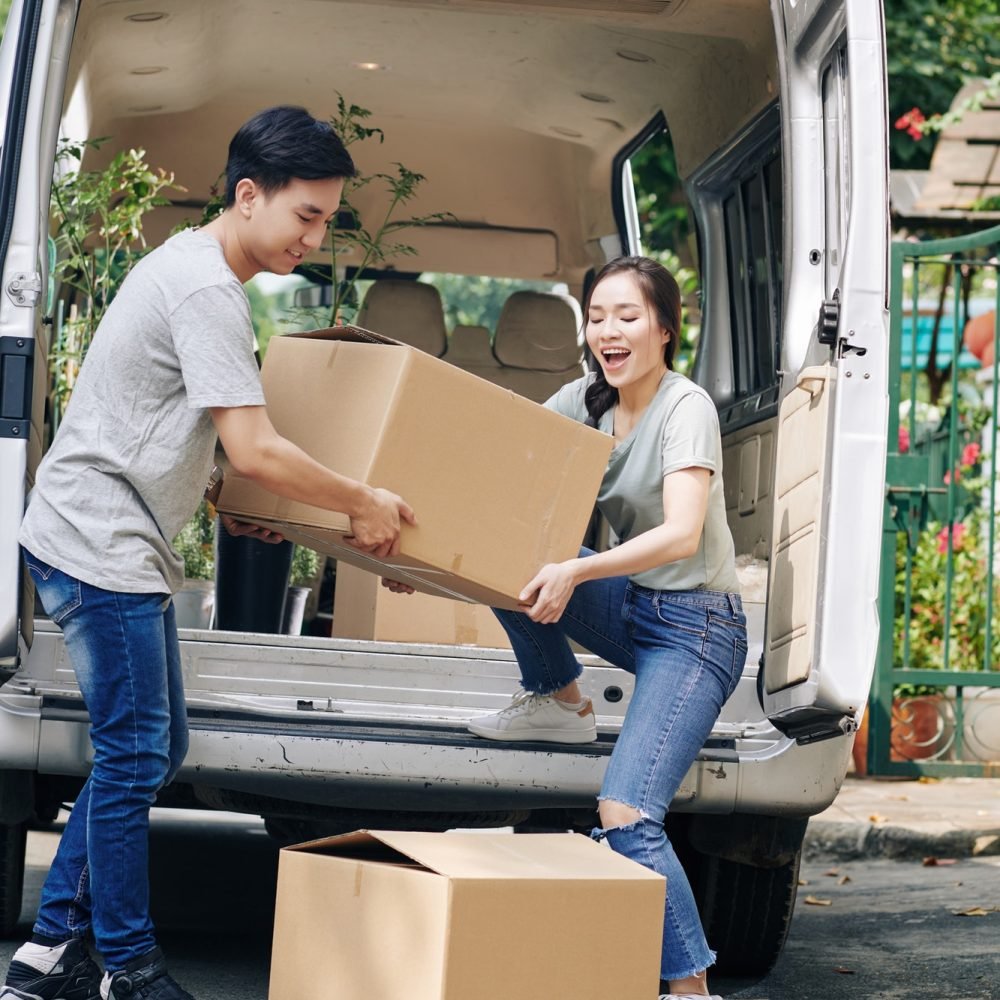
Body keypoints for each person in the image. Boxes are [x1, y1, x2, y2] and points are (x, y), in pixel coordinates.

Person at [2, 106, 415, 1000]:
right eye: (305, 216)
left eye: (327, 219)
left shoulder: (197, 274)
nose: (315, 236)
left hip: (104, 538)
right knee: (135, 750)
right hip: (97, 542)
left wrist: (233, 501)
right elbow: (259, 445)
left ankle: (44, 958)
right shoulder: (207, 290)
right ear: (248, 195)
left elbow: (186, 434)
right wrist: (362, 502)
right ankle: (126, 966)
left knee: (152, 744)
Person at [466, 256, 746, 1000]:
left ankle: (690, 992)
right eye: (596, 317)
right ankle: (559, 697)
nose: (609, 331)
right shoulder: (584, 399)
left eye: (627, 316)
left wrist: (576, 571)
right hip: (634, 605)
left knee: (625, 814)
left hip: (696, 628)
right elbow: (500, 473)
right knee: (508, 544)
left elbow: (682, 535)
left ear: (663, 327)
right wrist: (428, 553)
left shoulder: (686, 408)